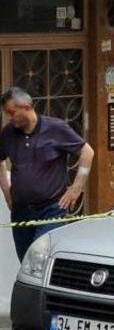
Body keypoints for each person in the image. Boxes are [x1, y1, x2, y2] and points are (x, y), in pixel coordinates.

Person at [0, 87, 94, 261]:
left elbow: (87, 152)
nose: (9, 118)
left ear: (27, 107)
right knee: (26, 263)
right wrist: (6, 191)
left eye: (12, 113)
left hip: (50, 209)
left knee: (40, 257)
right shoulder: (8, 133)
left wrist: (76, 188)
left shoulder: (55, 128)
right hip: (20, 212)